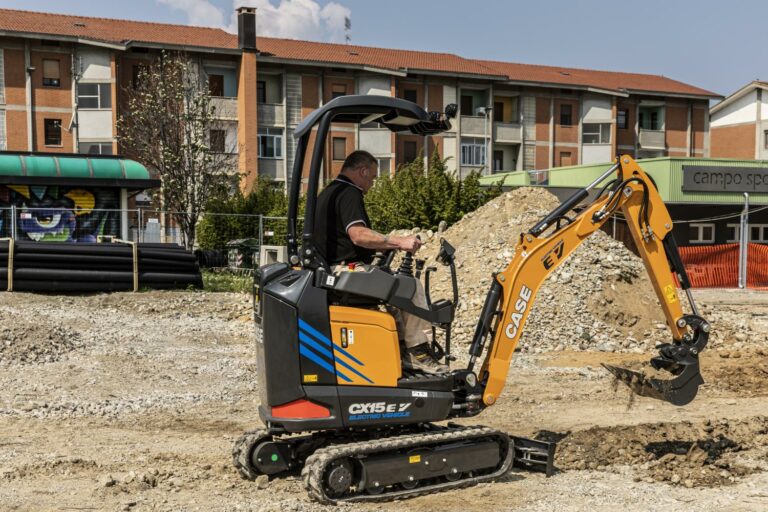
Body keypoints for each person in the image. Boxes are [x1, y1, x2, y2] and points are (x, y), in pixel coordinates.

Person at [313, 150, 447, 373]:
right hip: (343, 272)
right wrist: (399, 242)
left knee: (394, 304)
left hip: (332, 270)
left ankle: (401, 352)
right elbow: (358, 234)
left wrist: (382, 248)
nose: (372, 184)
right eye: (372, 177)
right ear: (362, 171)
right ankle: (419, 353)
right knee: (410, 287)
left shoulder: (329, 192)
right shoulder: (349, 193)